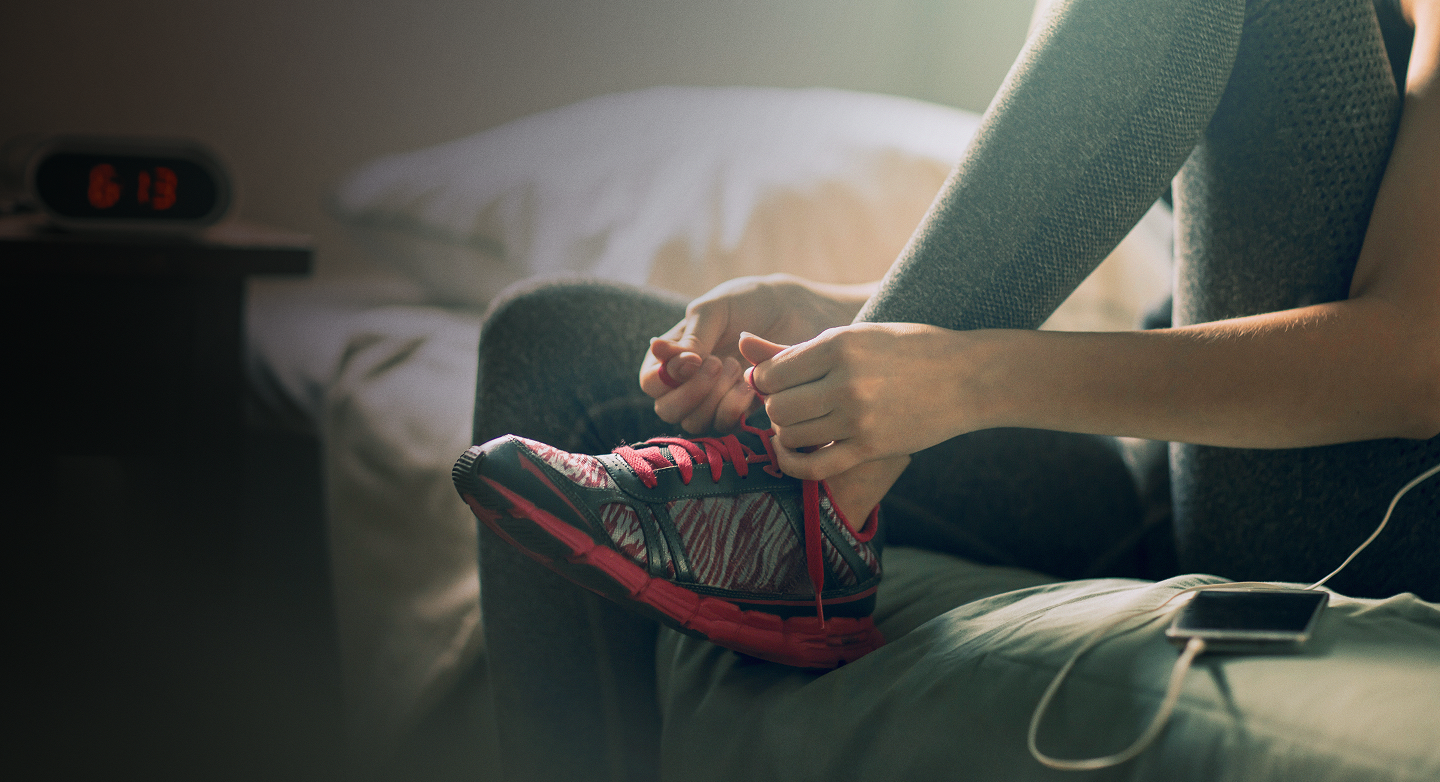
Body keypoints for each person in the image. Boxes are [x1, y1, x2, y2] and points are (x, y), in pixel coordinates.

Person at [458, 0, 1439, 778]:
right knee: (552, 347)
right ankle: (810, 494)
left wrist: (961, 374)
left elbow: (1415, 358)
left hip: (1366, 508)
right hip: (1175, 480)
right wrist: (864, 322)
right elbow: (1187, 308)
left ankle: (807, 500)